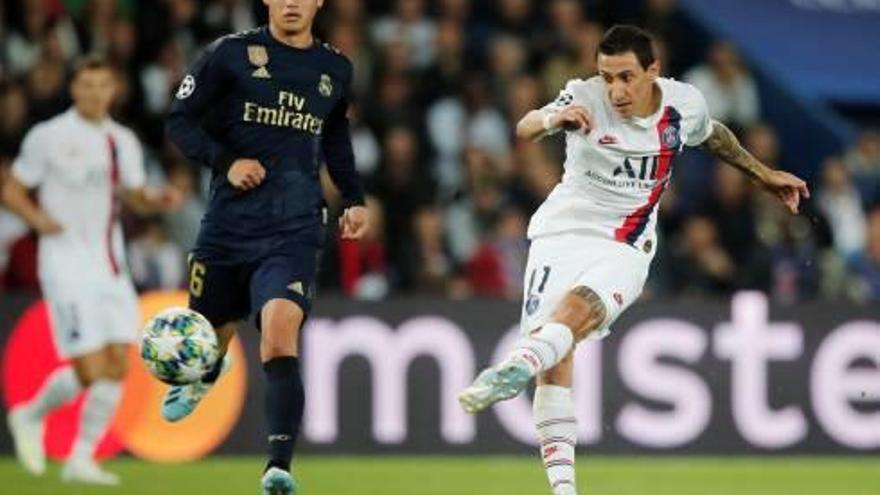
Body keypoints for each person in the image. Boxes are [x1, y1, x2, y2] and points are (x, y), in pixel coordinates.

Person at [458, 25, 809, 495]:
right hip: (562, 232)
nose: (616, 90)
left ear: (653, 71)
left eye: (626, 77)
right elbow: (523, 126)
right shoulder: (583, 95)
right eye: (607, 77)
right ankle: (563, 486)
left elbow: (715, 136)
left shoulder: (684, 105)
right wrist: (551, 121)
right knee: (555, 359)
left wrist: (763, 175)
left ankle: (515, 364)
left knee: (577, 313)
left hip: (626, 241)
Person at [164, 1, 368, 493]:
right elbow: (179, 121)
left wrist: (355, 198)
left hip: (295, 227)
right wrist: (227, 160)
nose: (292, 2)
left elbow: (335, 136)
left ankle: (278, 466)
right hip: (229, 225)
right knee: (211, 332)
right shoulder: (229, 55)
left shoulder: (335, 68)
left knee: (279, 334)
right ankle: (208, 367)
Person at [2, 56, 180, 485]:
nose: (95, 93)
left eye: (103, 85)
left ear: (113, 89)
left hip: (110, 265)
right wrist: (37, 219)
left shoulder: (123, 141)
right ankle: (29, 414)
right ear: (74, 89)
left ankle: (82, 459)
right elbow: (12, 188)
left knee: (118, 363)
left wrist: (154, 200)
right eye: (86, 85)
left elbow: (133, 197)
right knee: (88, 369)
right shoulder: (48, 137)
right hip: (64, 264)